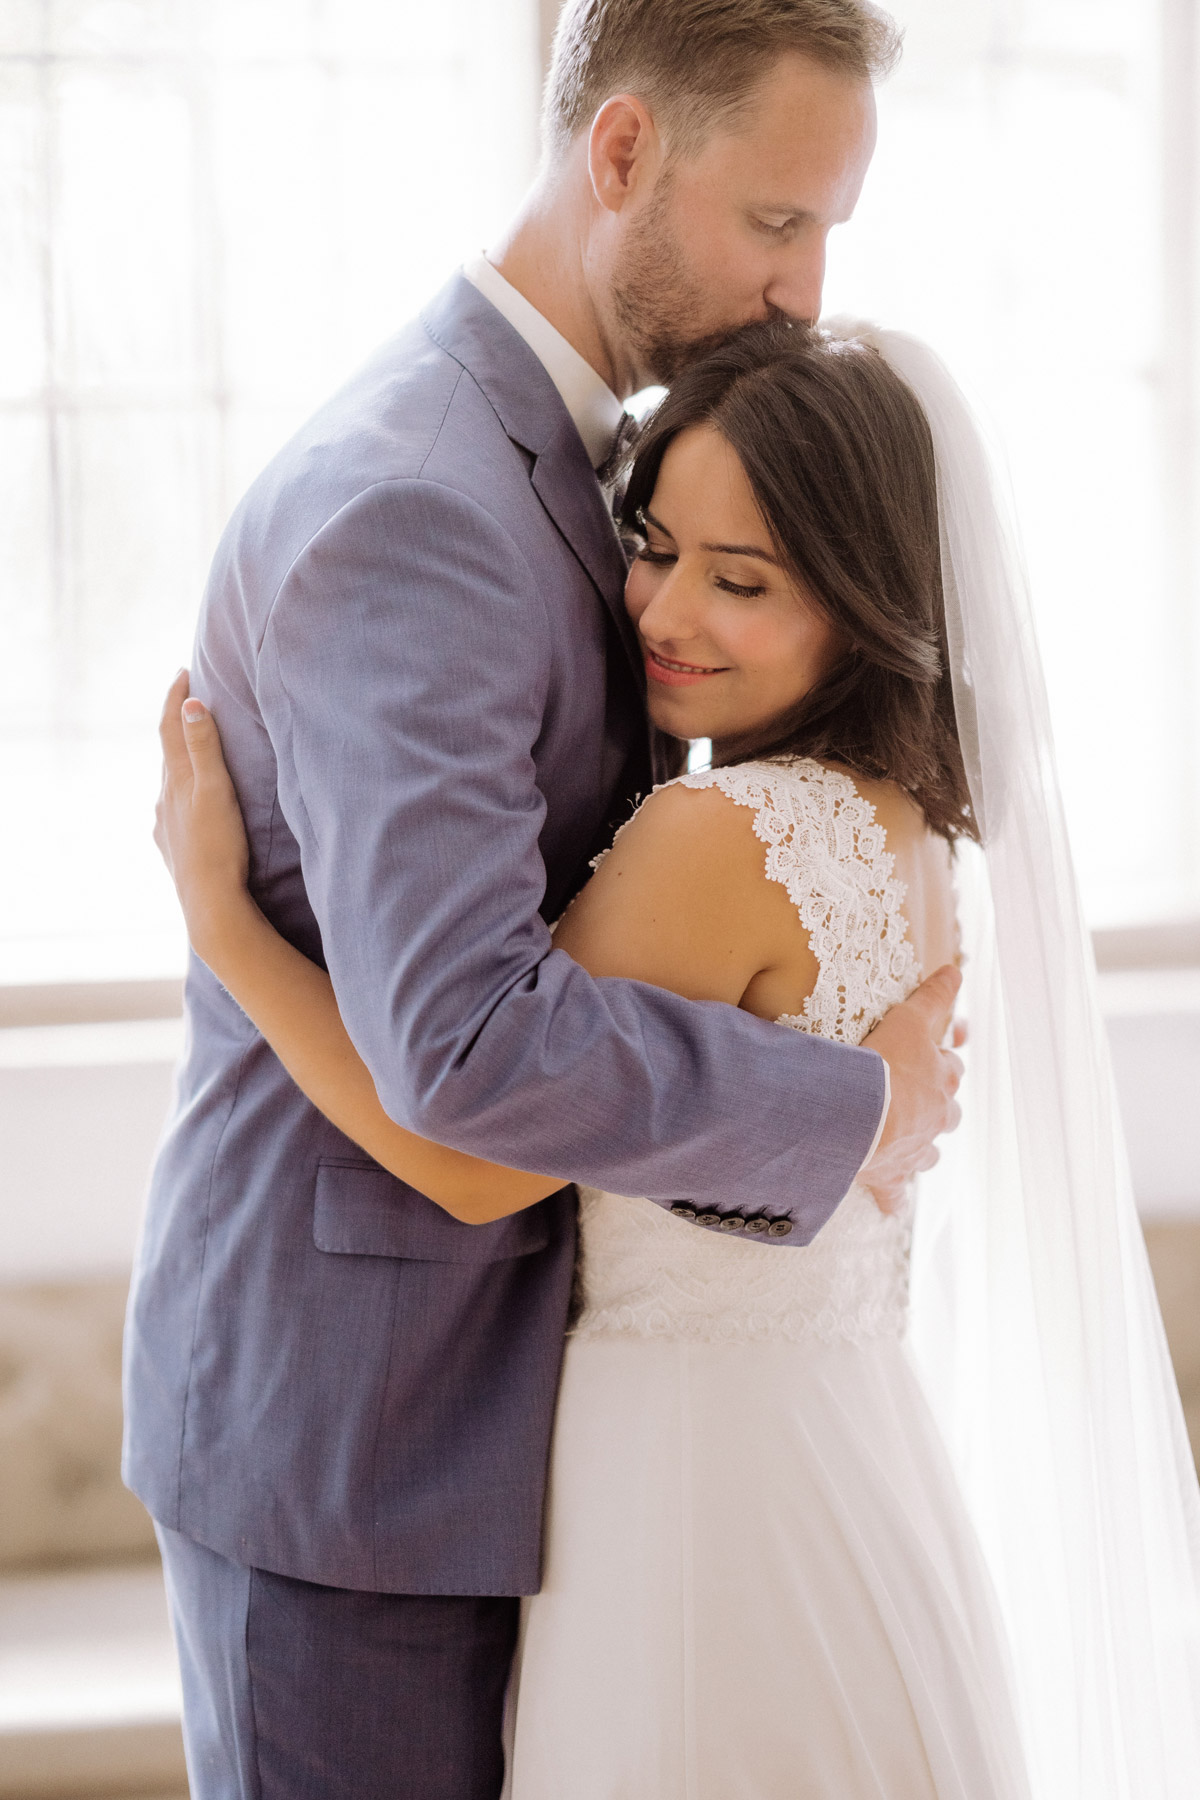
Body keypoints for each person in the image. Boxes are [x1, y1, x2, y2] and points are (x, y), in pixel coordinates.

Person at [154, 321, 1200, 1796]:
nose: (667, 611)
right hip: (852, 1470)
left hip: (698, 1510)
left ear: (865, 603)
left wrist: (227, 929)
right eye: (656, 546)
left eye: (745, 581)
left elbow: (464, 1151)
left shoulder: (715, 837)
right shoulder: (904, 826)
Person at [123, 4, 966, 1797]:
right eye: (779, 221)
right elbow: (469, 1048)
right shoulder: (418, 503)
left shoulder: (588, 471)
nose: (807, 291)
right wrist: (857, 1101)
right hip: (360, 1446)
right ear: (626, 153)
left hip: (535, 1436)